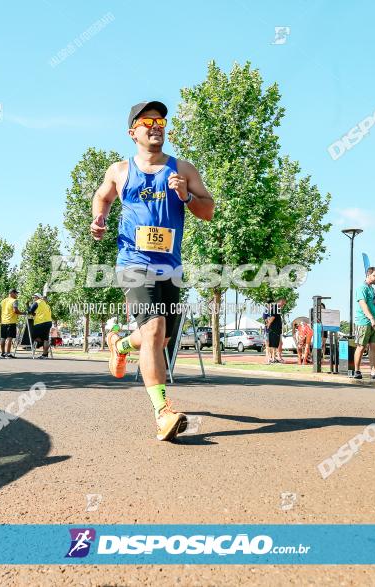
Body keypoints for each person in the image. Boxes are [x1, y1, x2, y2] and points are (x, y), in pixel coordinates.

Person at [92, 100, 214, 442]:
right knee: (156, 329)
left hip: (170, 267)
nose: (156, 125)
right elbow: (102, 198)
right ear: (133, 132)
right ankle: (163, 413)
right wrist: (98, 217)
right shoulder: (119, 171)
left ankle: (119, 345)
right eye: (148, 121)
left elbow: (209, 211)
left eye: (161, 120)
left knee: (161, 339)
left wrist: (187, 197)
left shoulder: (183, 169)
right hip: (132, 262)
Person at [353, 266, 375, 381]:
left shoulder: (372, 289)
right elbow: (363, 305)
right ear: (368, 275)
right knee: (361, 346)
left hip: (374, 322)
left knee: (374, 347)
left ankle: (374, 372)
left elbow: (374, 303)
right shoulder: (361, 288)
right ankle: (357, 371)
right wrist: (371, 319)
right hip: (364, 322)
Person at [0, 288, 22, 359]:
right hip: (11, 322)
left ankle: (3, 353)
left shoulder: (2, 301)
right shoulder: (14, 301)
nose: (17, 295)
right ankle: (8, 353)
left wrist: (0, 320)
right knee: (9, 338)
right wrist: (23, 313)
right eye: (16, 293)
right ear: (12, 293)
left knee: (3, 338)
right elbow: (15, 311)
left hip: (3, 322)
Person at [28, 293, 53, 358]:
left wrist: (27, 306)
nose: (33, 299)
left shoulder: (37, 302)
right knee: (45, 339)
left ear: (37, 297)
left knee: (32, 336)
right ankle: (45, 354)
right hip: (48, 322)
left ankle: (40, 344)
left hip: (40, 322)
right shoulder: (47, 305)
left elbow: (30, 311)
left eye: (34, 297)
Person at [264, 298, 285, 364]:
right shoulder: (271, 310)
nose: (283, 305)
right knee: (270, 345)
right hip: (272, 330)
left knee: (275, 345)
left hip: (275, 330)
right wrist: (268, 325)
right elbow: (269, 319)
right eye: (283, 303)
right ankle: (271, 359)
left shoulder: (275, 309)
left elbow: (271, 319)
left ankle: (273, 358)